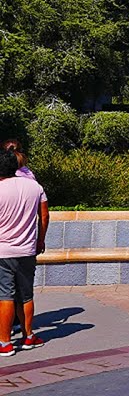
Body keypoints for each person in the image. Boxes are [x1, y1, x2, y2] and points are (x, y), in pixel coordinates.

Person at [0, 147, 47, 356]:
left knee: (5, 296)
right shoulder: (35, 187)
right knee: (26, 296)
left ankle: (5, 343)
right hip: (27, 249)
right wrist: (40, 240)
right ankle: (29, 337)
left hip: (3, 251)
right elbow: (44, 216)